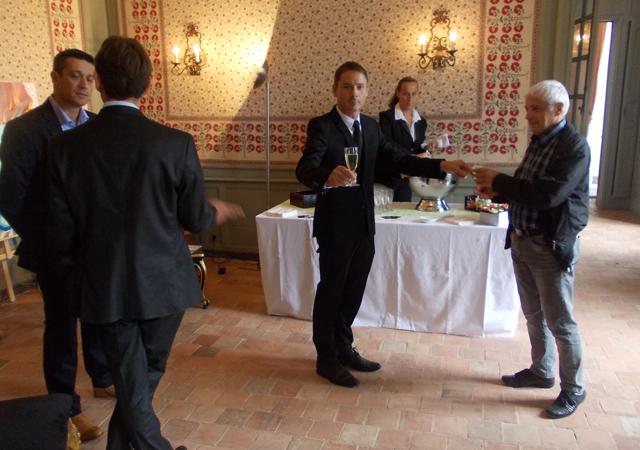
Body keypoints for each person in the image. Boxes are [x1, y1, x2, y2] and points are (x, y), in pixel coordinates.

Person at [46, 36, 244, 450]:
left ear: (98, 80)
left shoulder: (64, 148)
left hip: (104, 284)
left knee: (138, 377)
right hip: (165, 284)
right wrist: (215, 212)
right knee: (142, 375)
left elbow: (61, 229)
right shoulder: (174, 143)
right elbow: (193, 217)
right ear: (148, 85)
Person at [296, 61, 470, 388]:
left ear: (367, 90)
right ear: (335, 90)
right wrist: (326, 175)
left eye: (360, 86)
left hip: (365, 224)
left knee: (354, 290)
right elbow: (305, 167)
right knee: (332, 290)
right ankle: (326, 358)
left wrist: (442, 164)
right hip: (335, 225)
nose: (354, 93)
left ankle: (344, 347)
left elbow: (401, 159)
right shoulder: (321, 126)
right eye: (347, 86)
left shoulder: (372, 128)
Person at [0, 49, 114, 441]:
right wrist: (48, 239)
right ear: (55, 78)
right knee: (62, 329)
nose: (84, 85)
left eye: (89, 78)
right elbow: (11, 196)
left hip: (95, 247)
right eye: (75, 76)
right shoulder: (25, 130)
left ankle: (102, 377)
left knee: (99, 315)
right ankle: (65, 407)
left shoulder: (99, 125)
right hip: (55, 250)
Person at [473, 80, 589, 419]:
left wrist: (499, 181)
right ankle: (542, 371)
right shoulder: (540, 141)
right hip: (523, 240)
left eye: (535, 109)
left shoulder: (574, 147)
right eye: (528, 108)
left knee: (560, 322)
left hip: (549, 246)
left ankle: (574, 389)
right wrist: (495, 190)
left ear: (558, 110)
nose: (528, 116)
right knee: (534, 316)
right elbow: (527, 188)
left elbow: (547, 195)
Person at [377, 76, 430, 201]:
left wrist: (427, 147)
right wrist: (413, 157)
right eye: (406, 93)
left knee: (403, 214)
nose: (410, 98)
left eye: (413, 94)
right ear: (398, 93)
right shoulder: (387, 117)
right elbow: (387, 145)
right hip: (389, 175)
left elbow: (415, 147)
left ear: (418, 95)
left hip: (407, 176)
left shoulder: (421, 121)